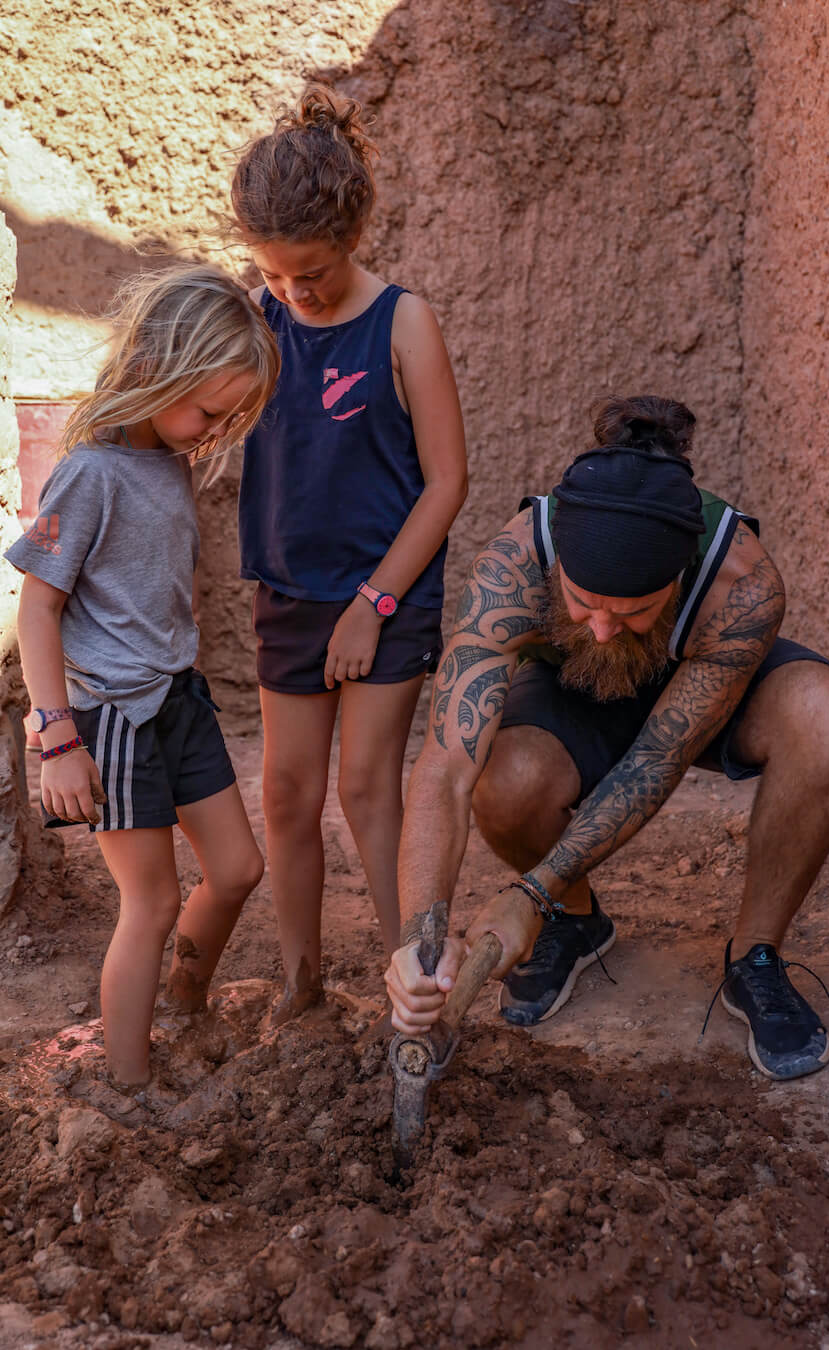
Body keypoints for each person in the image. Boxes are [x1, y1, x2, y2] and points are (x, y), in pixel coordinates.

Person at [385, 395, 829, 1081]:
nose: (604, 629)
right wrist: (420, 935)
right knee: (506, 777)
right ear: (556, 573)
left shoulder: (742, 583)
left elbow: (655, 761)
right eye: (583, 605)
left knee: (827, 715)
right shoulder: (512, 566)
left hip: (695, 697)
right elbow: (444, 767)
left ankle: (755, 955)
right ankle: (574, 920)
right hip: (570, 694)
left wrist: (529, 893)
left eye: (634, 611)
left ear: (676, 580)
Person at [5, 264, 281, 1088]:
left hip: (179, 698)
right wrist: (57, 738)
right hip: (111, 719)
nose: (214, 430)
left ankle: (183, 1004)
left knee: (237, 870)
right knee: (152, 903)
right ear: (158, 367)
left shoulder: (170, 455)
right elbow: (37, 609)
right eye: (209, 410)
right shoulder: (90, 472)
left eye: (232, 418)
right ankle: (128, 1085)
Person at [229, 86, 468, 1025]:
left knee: (369, 788)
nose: (299, 292)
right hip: (289, 592)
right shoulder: (257, 318)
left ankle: (409, 986)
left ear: (355, 231)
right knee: (285, 795)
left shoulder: (404, 321)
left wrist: (372, 604)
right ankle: (301, 986)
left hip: (388, 593)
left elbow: (445, 483)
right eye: (280, 275)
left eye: (315, 271)